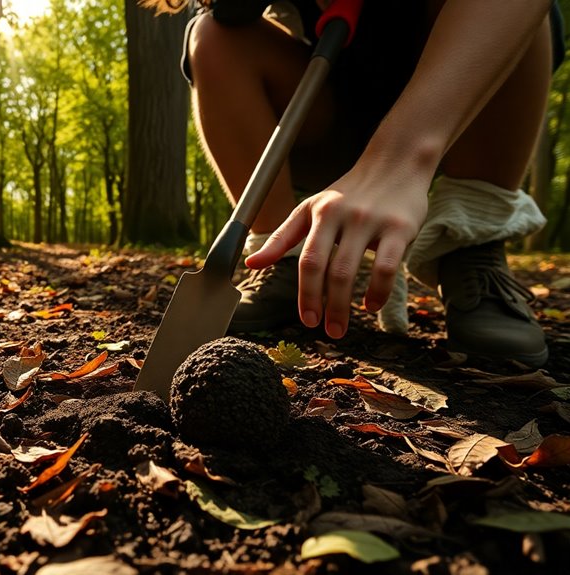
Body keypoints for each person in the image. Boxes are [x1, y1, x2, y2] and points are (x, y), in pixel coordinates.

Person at [143, 0, 563, 367]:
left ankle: (472, 245)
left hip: (464, 110)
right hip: (327, 116)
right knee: (213, 35)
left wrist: (398, 160)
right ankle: (277, 256)